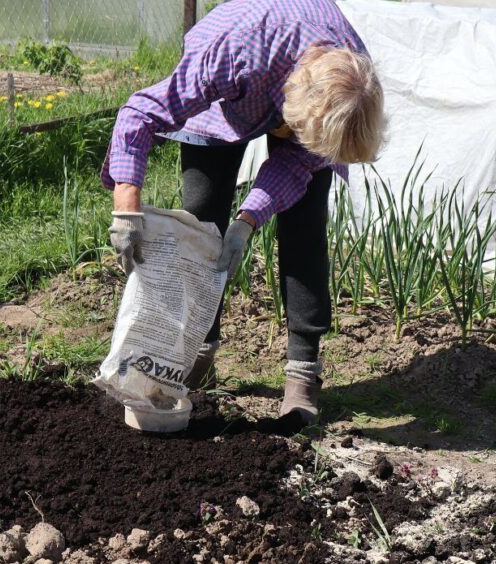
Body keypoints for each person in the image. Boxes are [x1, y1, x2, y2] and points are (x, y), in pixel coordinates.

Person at [102, 0, 386, 423]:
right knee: (202, 217)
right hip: (231, 92)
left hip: (309, 97)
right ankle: (197, 350)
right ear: (292, 107)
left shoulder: (350, 85)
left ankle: (302, 375)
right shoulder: (231, 51)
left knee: (304, 230)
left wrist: (247, 221)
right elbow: (139, 115)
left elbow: (299, 162)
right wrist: (127, 212)